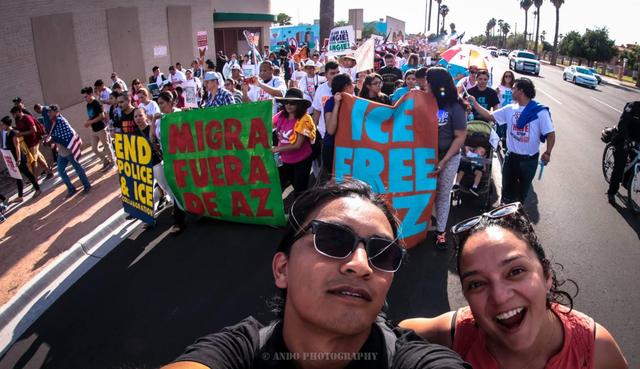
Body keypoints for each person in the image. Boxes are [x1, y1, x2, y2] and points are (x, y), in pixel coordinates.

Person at [162, 179, 470, 369]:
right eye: (333, 240)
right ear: (283, 269)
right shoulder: (234, 352)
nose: (361, 264)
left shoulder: (413, 359)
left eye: (383, 254)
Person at [400, 202, 629, 369]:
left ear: (546, 275)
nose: (500, 297)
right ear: (467, 297)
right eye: (477, 284)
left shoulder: (595, 350)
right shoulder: (455, 335)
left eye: (516, 271)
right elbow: (396, 336)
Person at [470, 77, 556, 204]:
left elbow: (550, 134)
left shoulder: (539, 112)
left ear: (520, 91)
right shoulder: (509, 109)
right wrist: (474, 103)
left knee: (521, 196)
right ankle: (505, 218)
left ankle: (516, 218)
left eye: (514, 88)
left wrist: (548, 152)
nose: (511, 91)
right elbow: (489, 116)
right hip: (510, 158)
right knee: (506, 194)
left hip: (529, 161)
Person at [415, 67, 467, 250]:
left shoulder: (455, 106)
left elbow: (460, 136)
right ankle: (421, 226)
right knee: (423, 192)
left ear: (436, 83)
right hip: (425, 157)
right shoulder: (422, 101)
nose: (424, 83)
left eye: (428, 80)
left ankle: (441, 232)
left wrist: (443, 161)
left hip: (448, 158)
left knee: (443, 195)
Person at [272, 88, 316, 197]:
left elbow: (297, 145)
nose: (288, 105)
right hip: (286, 160)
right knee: (295, 186)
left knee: (300, 191)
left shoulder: (304, 119)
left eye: (293, 103)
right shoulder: (282, 115)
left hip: (301, 160)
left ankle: (302, 211)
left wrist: (277, 149)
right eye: (286, 102)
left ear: (300, 104)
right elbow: (268, 125)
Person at [153, 91, 185, 235]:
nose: (160, 106)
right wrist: (153, 121)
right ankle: (179, 220)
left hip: (183, 158)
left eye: (162, 103)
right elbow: (153, 137)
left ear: (171, 102)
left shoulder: (180, 114)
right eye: (158, 103)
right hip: (169, 159)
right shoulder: (160, 119)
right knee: (174, 187)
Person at [46, 105, 91, 197]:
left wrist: (49, 141)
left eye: (50, 111)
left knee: (77, 168)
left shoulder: (60, 121)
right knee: (60, 170)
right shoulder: (55, 122)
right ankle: (71, 188)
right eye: (48, 112)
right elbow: (55, 135)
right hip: (62, 152)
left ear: (56, 112)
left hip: (69, 150)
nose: (48, 114)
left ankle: (87, 185)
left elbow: (61, 136)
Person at [1, 116, 41, 202]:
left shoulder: (13, 133)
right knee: (17, 176)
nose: (2, 126)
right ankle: (20, 196)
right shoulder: (7, 133)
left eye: (3, 124)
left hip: (18, 158)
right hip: (13, 158)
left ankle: (37, 189)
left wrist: (18, 159)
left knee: (28, 174)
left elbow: (17, 147)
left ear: (7, 125)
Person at [322, 73, 354, 182]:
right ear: (346, 86)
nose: (353, 86)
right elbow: (330, 130)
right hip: (333, 148)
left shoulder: (354, 101)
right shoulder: (330, 102)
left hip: (349, 148)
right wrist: (336, 105)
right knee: (336, 182)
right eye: (352, 84)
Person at [607, 101, 640, 203]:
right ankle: (611, 193)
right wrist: (626, 139)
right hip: (623, 139)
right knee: (619, 167)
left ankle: (627, 183)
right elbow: (622, 123)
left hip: (636, 141)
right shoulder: (632, 106)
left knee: (635, 161)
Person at [10, 106, 54, 178]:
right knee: (38, 157)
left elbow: (34, 130)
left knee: (33, 160)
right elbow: (20, 129)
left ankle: (35, 179)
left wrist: (21, 134)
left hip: (33, 141)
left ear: (18, 112)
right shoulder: (18, 120)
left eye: (13, 114)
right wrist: (13, 128)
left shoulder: (27, 118)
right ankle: (49, 171)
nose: (13, 116)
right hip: (27, 142)